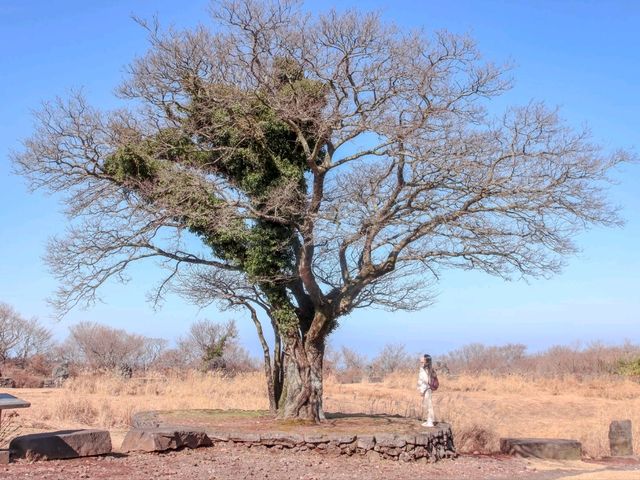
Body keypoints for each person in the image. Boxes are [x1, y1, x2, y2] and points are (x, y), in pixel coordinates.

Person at [417, 353, 437, 427]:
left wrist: (422, 389)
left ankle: (430, 421)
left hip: (427, 389)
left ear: (426, 361)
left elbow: (426, 381)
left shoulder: (427, 370)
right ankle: (428, 420)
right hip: (426, 388)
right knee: (426, 405)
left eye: (422, 361)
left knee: (429, 405)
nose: (421, 361)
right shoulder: (424, 369)